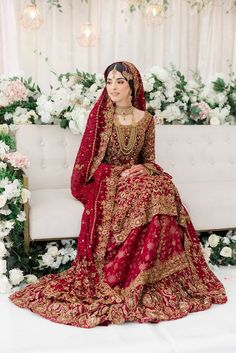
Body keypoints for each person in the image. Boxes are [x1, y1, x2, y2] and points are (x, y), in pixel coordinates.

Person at [9, 61, 227, 328]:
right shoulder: (101, 117)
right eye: (109, 81)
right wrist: (115, 173)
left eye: (119, 82)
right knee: (145, 192)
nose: (113, 87)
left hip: (134, 178)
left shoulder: (146, 119)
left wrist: (142, 168)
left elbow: (149, 159)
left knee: (162, 187)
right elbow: (87, 166)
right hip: (106, 181)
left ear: (132, 86)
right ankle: (130, 273)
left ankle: (152, 274)